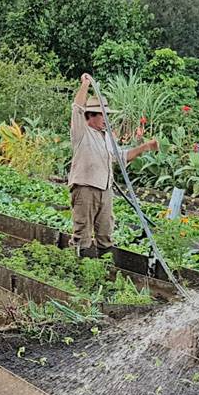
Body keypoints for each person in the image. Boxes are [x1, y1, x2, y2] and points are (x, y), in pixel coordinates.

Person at [68, 74, 158, 258]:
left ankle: (104, 267)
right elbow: (76, 108)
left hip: (105, 189)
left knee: (105, 232)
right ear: (90, 116)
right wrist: (85, 85)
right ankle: (77, 268)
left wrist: (145, 147)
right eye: (103, 115)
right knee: (82, 233)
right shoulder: (82, 132)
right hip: (85, 188)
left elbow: (121, 157)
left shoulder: (107, 137)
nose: (106, 119)